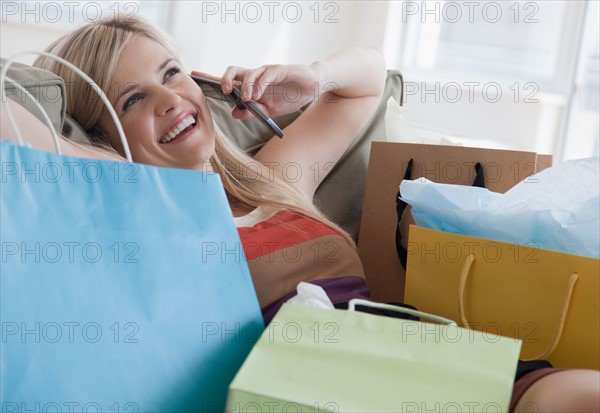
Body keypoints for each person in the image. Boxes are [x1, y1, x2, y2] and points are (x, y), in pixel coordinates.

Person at [1, 15, 598, 413]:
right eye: (134, 99)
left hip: (424, 350)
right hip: (328, 387)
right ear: (103, 139)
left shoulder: (275, 176)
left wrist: (313, 77)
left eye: (172, 73)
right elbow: (18, 130)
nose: (171, 100)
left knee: (575, 393)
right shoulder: (130, 206)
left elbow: (366, 83)